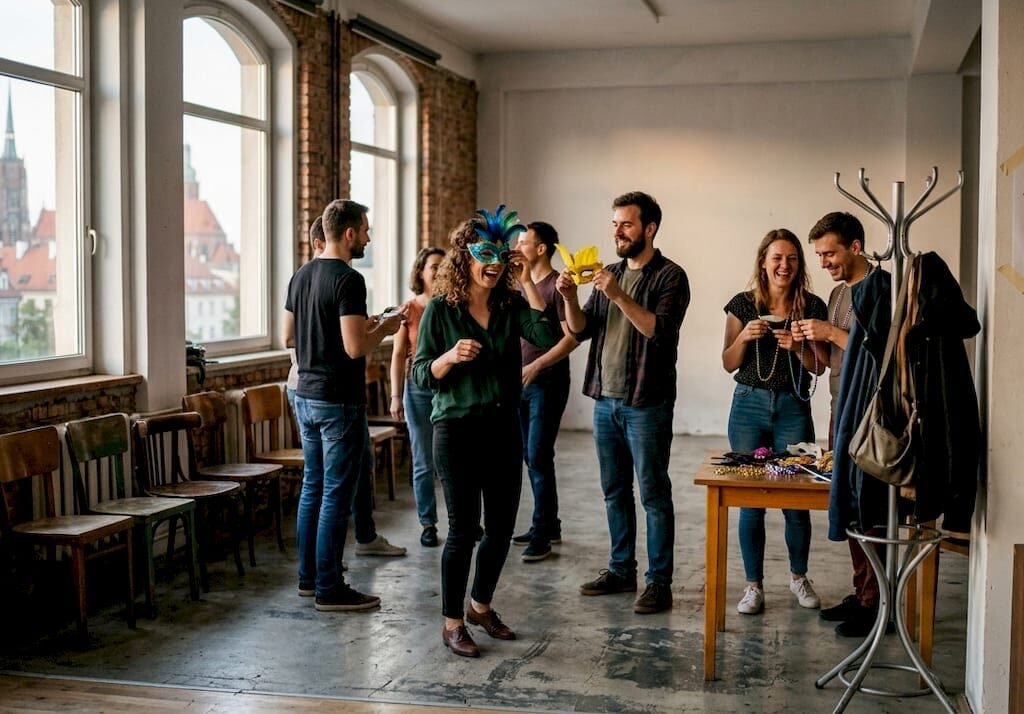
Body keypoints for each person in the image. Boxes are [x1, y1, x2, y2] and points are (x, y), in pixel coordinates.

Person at [411, 211, 560, 658]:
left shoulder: (510, 304)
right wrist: (449, 357)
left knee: (500, 528)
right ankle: (452, 623)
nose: (494, 262)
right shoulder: (441, 308)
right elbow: (421, 373)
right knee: (462, 532)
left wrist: (526, 279)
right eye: (485, 253)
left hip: (502, 426)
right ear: (466, 257)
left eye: (501, 254)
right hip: (455, 429)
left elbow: (546, 331)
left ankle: (480, 606)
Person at [556, 191, 689, 615]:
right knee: (614, 491)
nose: (617, 231)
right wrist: (568, 298)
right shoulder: (608, 272)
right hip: (605, 400)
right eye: (614, 223)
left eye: (626, 224)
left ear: (649, 229)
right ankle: (620, 570)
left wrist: (617, 295)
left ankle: (659, 582)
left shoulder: (670, 276)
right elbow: (581, 331)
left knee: (653, 493)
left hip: (645, 403)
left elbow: (658, 331)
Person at [283, 199, 404, 612]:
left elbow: (288, 336)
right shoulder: (349, 280)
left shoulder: (301, 274)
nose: (368, 236)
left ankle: (308, 578)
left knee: (313, 488)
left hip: (305, 396)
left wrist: (358, 326)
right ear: (349, 233)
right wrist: (385, 328)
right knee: (336, 492)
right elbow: (355, 348)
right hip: (338, 399)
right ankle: (330, 588)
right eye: (366, 229)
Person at [721, 228, 829, 616]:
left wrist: (799, 348)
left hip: (793, 407)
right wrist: (745, 339)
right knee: (751, 499)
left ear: (799, 265)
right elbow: (728, 362)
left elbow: (823, 364)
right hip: (748, 405)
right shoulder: (742, 305)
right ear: (763, 262)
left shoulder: (813, 305)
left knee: (795, 498)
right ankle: (753, 587)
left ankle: (798, 577)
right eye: (777, 258)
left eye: (792, 259)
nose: (784, 265)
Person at [799, 211, 883, 637]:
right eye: (819, 255)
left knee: (870, 509)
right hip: (839, 410)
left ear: (854, 246)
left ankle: (876, 604)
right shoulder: (837, 294)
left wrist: (830, 333)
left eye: (829, 253)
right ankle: (862, 593)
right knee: (849, 507)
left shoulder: (880, 289)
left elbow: (881, 355)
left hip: (870, 416)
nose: (824, 262)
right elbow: (827, 361)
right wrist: (807, 343)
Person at [511, 221, 578, 562]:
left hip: (547, 383)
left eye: (524, 242)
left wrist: (536, 365)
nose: (517, 246)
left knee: (538, 455)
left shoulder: (557, 286)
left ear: (541, 249)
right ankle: (548, 523)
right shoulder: (517, 286)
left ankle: (543, 532)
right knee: (528, 454)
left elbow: (571, 338)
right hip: (517, 382)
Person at [388, 246, 447, 548]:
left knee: (454, 459)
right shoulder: (409, 309)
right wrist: (396, 395)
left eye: (442, 265)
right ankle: (428, 523)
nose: (438, 270)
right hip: (417, 390)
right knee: (423, 460)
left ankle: (465, 520)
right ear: (421, 272)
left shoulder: (454, 305)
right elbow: (398, 355)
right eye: (433, 266)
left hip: (450, 388)